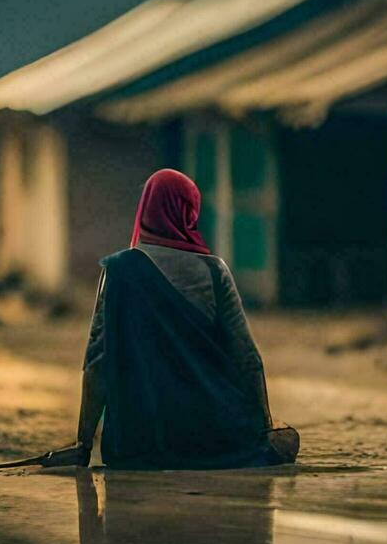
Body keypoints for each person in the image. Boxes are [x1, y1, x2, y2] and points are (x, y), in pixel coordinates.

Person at [40, 169, 298, 470]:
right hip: (210, 435)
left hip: (134, 444)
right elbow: (247, 358)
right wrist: (262, 430)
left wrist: (83, 444)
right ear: (189, 212)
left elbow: (98, 361)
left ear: (145, 210)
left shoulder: (119, 271)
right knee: (287, 437)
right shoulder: (214, 271)